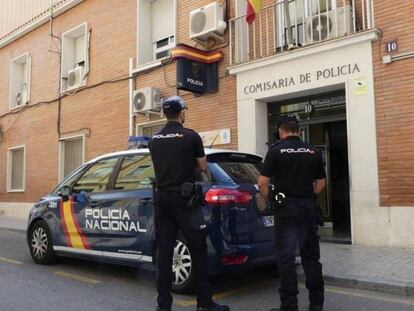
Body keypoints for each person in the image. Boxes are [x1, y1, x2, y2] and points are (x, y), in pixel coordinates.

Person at [149, 96, 230, 311]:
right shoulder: (190, 136)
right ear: (181, 113)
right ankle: (204, 303)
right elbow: (203, 167)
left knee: (165, 253)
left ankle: (163, 306)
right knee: (198, 249)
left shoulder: (154, 139)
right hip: (185, 200)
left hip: (163, 199)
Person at [258, 115, 326, 311]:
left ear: (281, 131)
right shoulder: (313, 151)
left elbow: (262, 183)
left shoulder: (275, 151)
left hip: (286, 209)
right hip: (307, 209)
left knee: (286, 258)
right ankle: (316, 305)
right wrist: (307, 197)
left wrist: (273, 199)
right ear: (298, 130)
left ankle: (289, 306)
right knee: (311, 258)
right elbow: (321, 183)